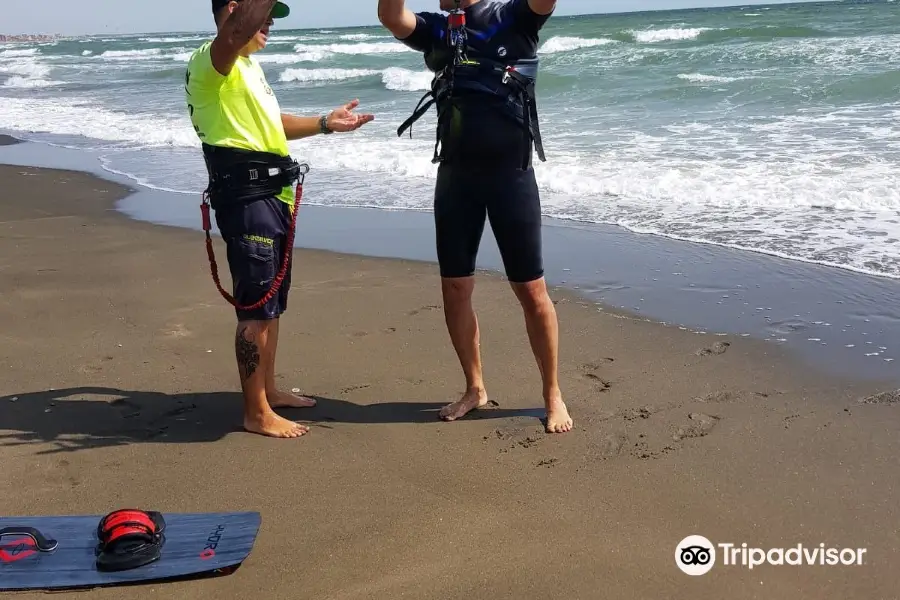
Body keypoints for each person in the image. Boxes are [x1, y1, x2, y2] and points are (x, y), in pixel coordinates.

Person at [376, 0, 573, 433]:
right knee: (454, 288)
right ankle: (474, 387)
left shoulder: (514, 16)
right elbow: (393, 17)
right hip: (456, 179)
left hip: (511, 179)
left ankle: (552, 393)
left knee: (531, 291)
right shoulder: (435, 29)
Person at [185, 0, 374, 439]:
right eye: (264, 14)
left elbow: (273, 123)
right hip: (247, 198)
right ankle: (255, 412)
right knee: (254, 307)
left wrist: (326, 122)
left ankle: (266, 390)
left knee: (271, 303)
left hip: (274, 196)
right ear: (234, 9)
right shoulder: (212, 61)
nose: (270, 23)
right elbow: (231, 36)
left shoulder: (248, 67)